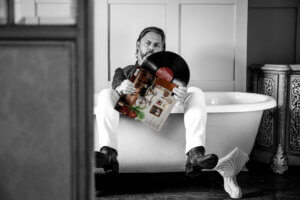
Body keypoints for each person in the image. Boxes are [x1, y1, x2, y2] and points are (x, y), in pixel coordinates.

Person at [94, 26, 218, 177]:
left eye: (156, 45)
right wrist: (121, 87)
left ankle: (195, 154)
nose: (151, 48)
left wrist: (181, 94)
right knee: (105, 93)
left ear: (162, 50)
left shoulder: (173, 71)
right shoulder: (124, 70)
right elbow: (117, 81)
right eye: (148, 43)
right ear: (138, 44)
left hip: (165, 110)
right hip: (133, 108)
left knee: (196, 92)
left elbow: (183, 90)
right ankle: (109, 154)